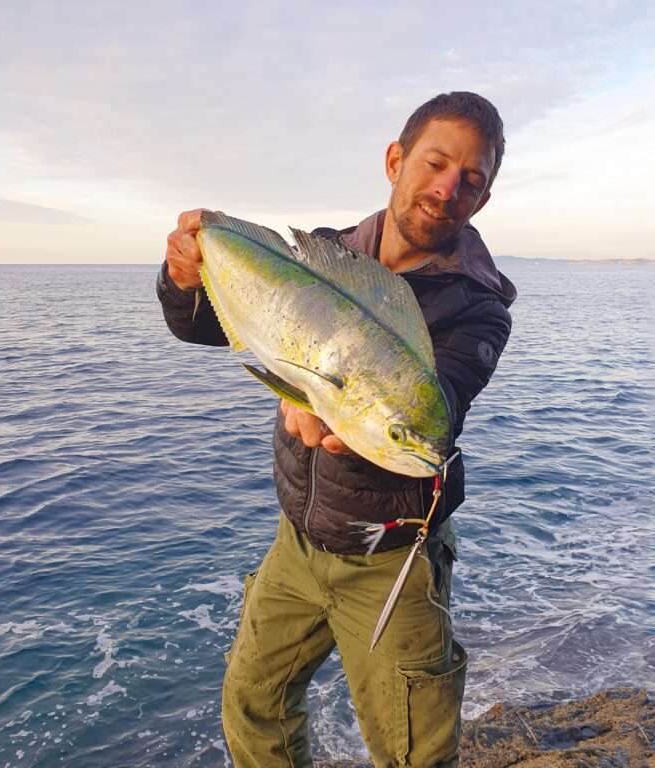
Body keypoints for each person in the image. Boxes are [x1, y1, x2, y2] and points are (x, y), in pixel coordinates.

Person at [156, 91, 516, 767]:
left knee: (413, 753)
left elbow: (439, 405)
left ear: (483, 199)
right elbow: (201, 324)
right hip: (298, 544)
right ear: (395, 160)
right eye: (437, 163)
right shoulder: (318, 255)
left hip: (393, 560)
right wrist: (183, 275)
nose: (448, 189)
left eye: (471, 180)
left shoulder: (479, 307)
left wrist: (335, 409)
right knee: (253, 705)